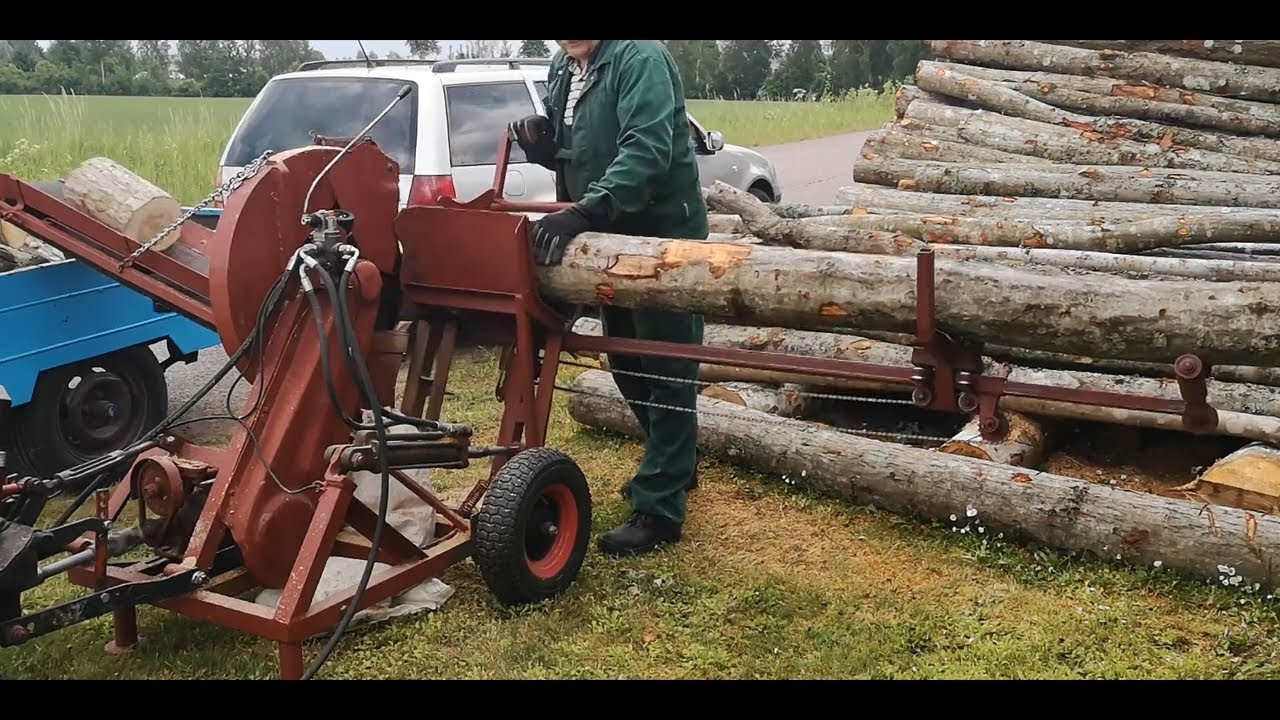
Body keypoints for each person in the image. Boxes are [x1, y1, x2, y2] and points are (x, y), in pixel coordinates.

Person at [509, 40, 707, 557]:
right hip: (609, 240)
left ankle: (661, 505)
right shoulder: (564, 65)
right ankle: (675, 464)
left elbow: (646, 150)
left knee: (665, 368)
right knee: (626, 363)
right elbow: (578, 147)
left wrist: (586, 210)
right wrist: (543, 146)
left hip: (659, 240)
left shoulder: (640, 58)